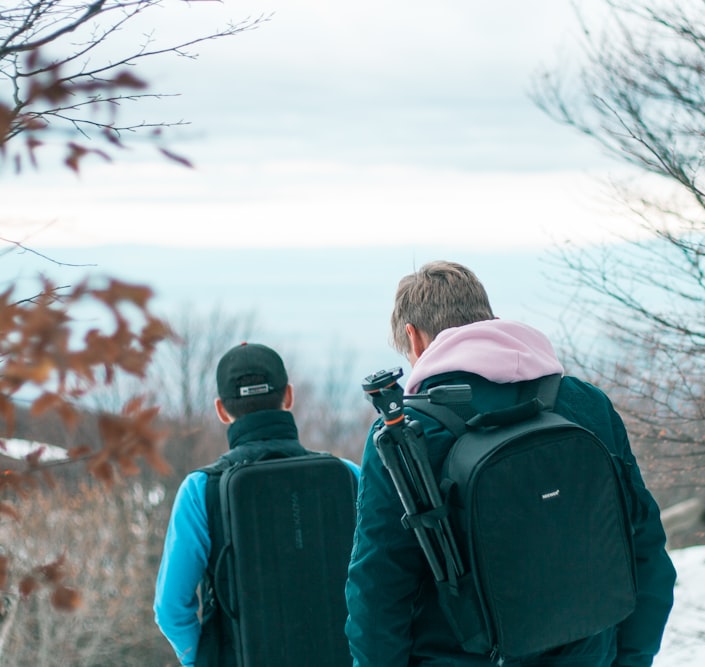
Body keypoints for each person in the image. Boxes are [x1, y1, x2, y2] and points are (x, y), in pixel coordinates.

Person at [345, 261, 676, 666]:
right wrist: (629, 658)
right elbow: (645, 549)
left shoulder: (404, 437)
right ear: (488, 319)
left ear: (414, 339)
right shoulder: (587, 405)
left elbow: (378, 588)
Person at [153, 342, 361, 667]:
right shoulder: (348, 475)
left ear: (221, 410)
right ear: (288, 396)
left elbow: (170, 609)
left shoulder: (200, 490)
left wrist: (206, 658)